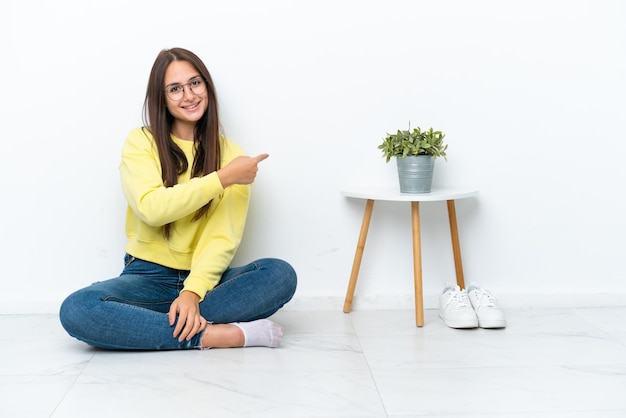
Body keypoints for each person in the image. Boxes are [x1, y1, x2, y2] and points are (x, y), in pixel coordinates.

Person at [59, 47, 297, 350]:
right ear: (161, 98)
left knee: (279, 275)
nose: (189, 95)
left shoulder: (233, 155)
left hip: (208, 282)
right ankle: (213, 335)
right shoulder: (141, 142)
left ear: (207, 87)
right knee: (79, 308)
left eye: (195, 83)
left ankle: (151, 324)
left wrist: (193, 293)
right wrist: (222, 178)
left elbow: (221, 237)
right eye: (175, 89)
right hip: (146, 277)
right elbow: (152, 209)